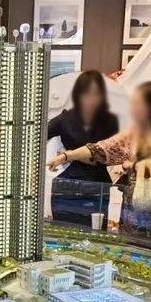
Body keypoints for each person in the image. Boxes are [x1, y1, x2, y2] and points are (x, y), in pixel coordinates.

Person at [47, 81, 151, 241]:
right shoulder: (135, 131)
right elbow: (101, 148)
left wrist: (130, 164)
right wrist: (65, 156)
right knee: (130, 243)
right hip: (132, 200)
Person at [48, 70, 119, 226]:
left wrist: (67, 155)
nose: (92, 99)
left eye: (97, 94)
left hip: (98, 187)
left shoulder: (111, 121)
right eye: (87, 93)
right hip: (67, 186)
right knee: (64, 234)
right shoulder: (65, 119)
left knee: (95, 233)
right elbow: (36, 134)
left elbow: (118, 151)